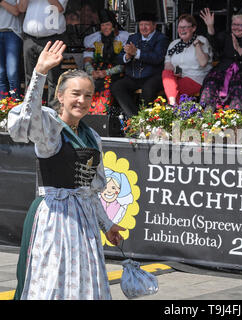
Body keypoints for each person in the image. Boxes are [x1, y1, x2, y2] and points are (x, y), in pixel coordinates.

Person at [7, 40, 125, 300]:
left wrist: (108, 225)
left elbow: (91, 190)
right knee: (51, 283)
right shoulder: (50, 127)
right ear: (60, 96)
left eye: (87, 95)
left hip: (83, 220)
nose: (81, 100)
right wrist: (39, 74)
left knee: (84, 283)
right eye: (75, 93)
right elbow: (24, 124)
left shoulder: (92, 136)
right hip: (54, 217)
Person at [198, 8, 242, 112]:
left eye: (241, 25)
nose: (236, 28)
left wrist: (239, 50)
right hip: (223, 70)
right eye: (234, 25)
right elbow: (215, 45)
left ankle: (233, 116)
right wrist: (210, 26)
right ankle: (208, 114)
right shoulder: (226, 36)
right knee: (211, 82)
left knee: (238, 86)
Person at [111, 12, 169, 118]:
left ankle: (148, 120)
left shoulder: (161, 38)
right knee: (117, 87)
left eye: (146, 24)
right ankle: (135, 118)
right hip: (133, 77)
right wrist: (127, 56)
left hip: (152, 77)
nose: (143, 27)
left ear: (154, 25)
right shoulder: (133, 37)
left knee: (148, 90)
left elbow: (157, 58)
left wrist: (136, 53)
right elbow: (119, 57)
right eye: (141, 25)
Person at [19, 0, 68, 104]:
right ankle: (29, 107)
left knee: (53, 79)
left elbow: (59, 8)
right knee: (30, 76)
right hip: (30, 39)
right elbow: (21, 8)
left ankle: (53, 111)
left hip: (52, 39)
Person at [83, 9, 129, 114]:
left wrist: (106, 73)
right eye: (103, 25)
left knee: (106, 84)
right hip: (96, 71)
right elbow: (87, 60)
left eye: (108, 25)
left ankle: (102, 115)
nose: (105, 28)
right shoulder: (93, 39)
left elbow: (124, 64)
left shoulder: (123, 37)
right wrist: (92, 72)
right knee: (87, 83)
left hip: (116, 71)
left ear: (113, 26)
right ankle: (87, 116)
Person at [163, 13, 213, 106]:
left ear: (193, 28)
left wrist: (197, 45)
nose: (182, 30)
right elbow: (168, 66)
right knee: (166, 74)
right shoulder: (174, 44)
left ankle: (172, 105)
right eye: (180, 27)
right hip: (178, 78)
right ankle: (173, 102)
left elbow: (203, 63)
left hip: (196, 78)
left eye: (185, 27)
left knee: (172, 89)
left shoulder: (201, 40)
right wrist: (178, 71)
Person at [0, 0, 23, 100]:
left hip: (12, 32)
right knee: (0, 74)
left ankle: (14, 102)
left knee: (12, 73)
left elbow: (17, 11)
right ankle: (3, 106)